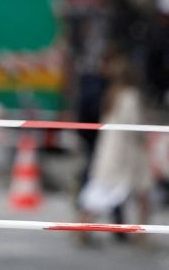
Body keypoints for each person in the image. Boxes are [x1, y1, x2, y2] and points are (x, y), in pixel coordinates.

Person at [77, 51, 153, 245]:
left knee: (103, 194)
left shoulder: (112, 94)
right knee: (113, 194)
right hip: (126, 154)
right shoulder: (130, 96)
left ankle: (83, 230)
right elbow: (135, 127)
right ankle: (141, 235)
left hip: (111, 152)